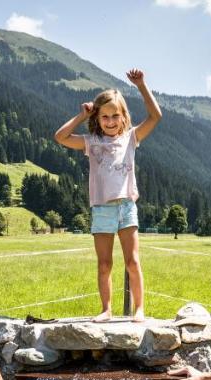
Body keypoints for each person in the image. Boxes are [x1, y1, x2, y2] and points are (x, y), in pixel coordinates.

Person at [53, 69, 162, 321]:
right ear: (98, 118)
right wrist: (82, 115)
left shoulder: (132, 137)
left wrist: (141, 85)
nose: (110, 121)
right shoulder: (91, 142)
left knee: (132, 261)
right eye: (104, 117)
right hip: (102, 209)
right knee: (104, 264)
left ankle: (139, 309)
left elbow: (156, 116)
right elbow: (60, 137)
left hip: (126, 207)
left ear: (124, 117)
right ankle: (106, 309)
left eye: (115, 116)